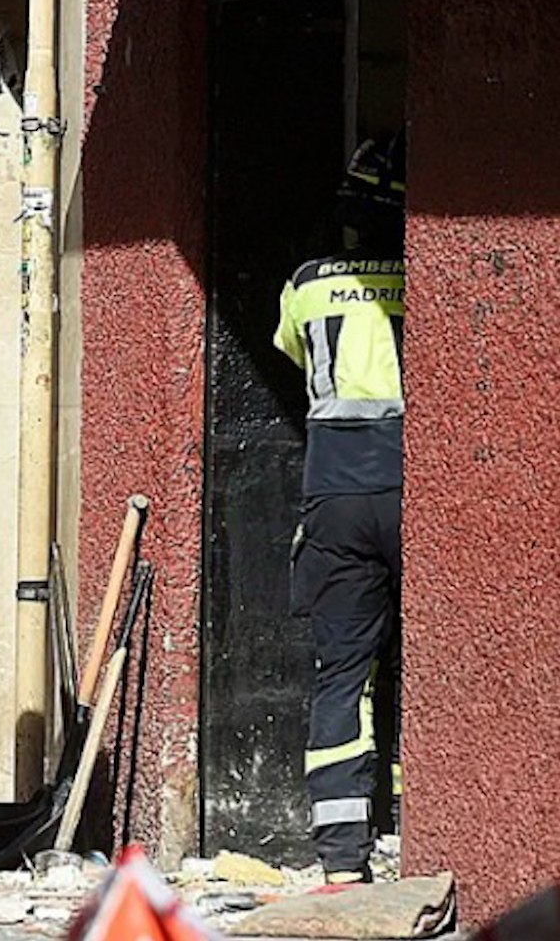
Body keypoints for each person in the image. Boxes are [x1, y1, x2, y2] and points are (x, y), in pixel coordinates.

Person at [273, 133, 406, 886]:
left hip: (335, 493)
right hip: (417, 489)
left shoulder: (306, 284)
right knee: (424, 662)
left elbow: (295, 356)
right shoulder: (430, 277)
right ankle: (418, 826)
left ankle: (341, 856)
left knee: (342, 670)